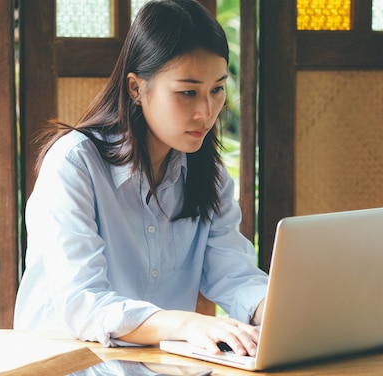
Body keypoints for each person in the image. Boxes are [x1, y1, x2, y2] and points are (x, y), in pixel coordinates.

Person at [13, 0, 268, 357]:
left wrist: (280, 312)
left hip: (158, 371)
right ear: (136, 88)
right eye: (187, 92)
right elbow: (83, 303)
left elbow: (235, 275)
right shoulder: (74, 165)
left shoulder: (208, 176)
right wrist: (187, 324)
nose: (206, 112)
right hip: (60, 369)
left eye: (217, 89)